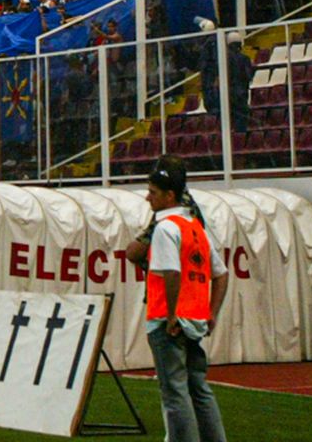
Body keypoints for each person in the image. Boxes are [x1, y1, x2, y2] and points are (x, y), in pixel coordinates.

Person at [140, 157, 229, 442]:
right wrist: (212, 312)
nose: (148, 197)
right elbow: (221, 274)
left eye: (153, 192)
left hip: (169, 321)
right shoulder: (196, 227)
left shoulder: (165, 228)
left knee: (175, 394)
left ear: (169, 196)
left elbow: (171, 273)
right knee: (199, 389)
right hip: (196, 319)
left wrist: (171, 315)